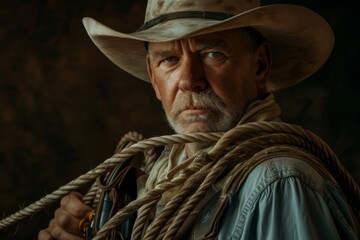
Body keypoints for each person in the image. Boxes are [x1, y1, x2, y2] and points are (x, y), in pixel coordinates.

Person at [38, 0, 360, 239]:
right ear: (153, 77)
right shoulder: (158, 183)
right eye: (170, 60)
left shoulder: (279, 186)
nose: (190, 80)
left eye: (212, 54)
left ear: (259, 66)